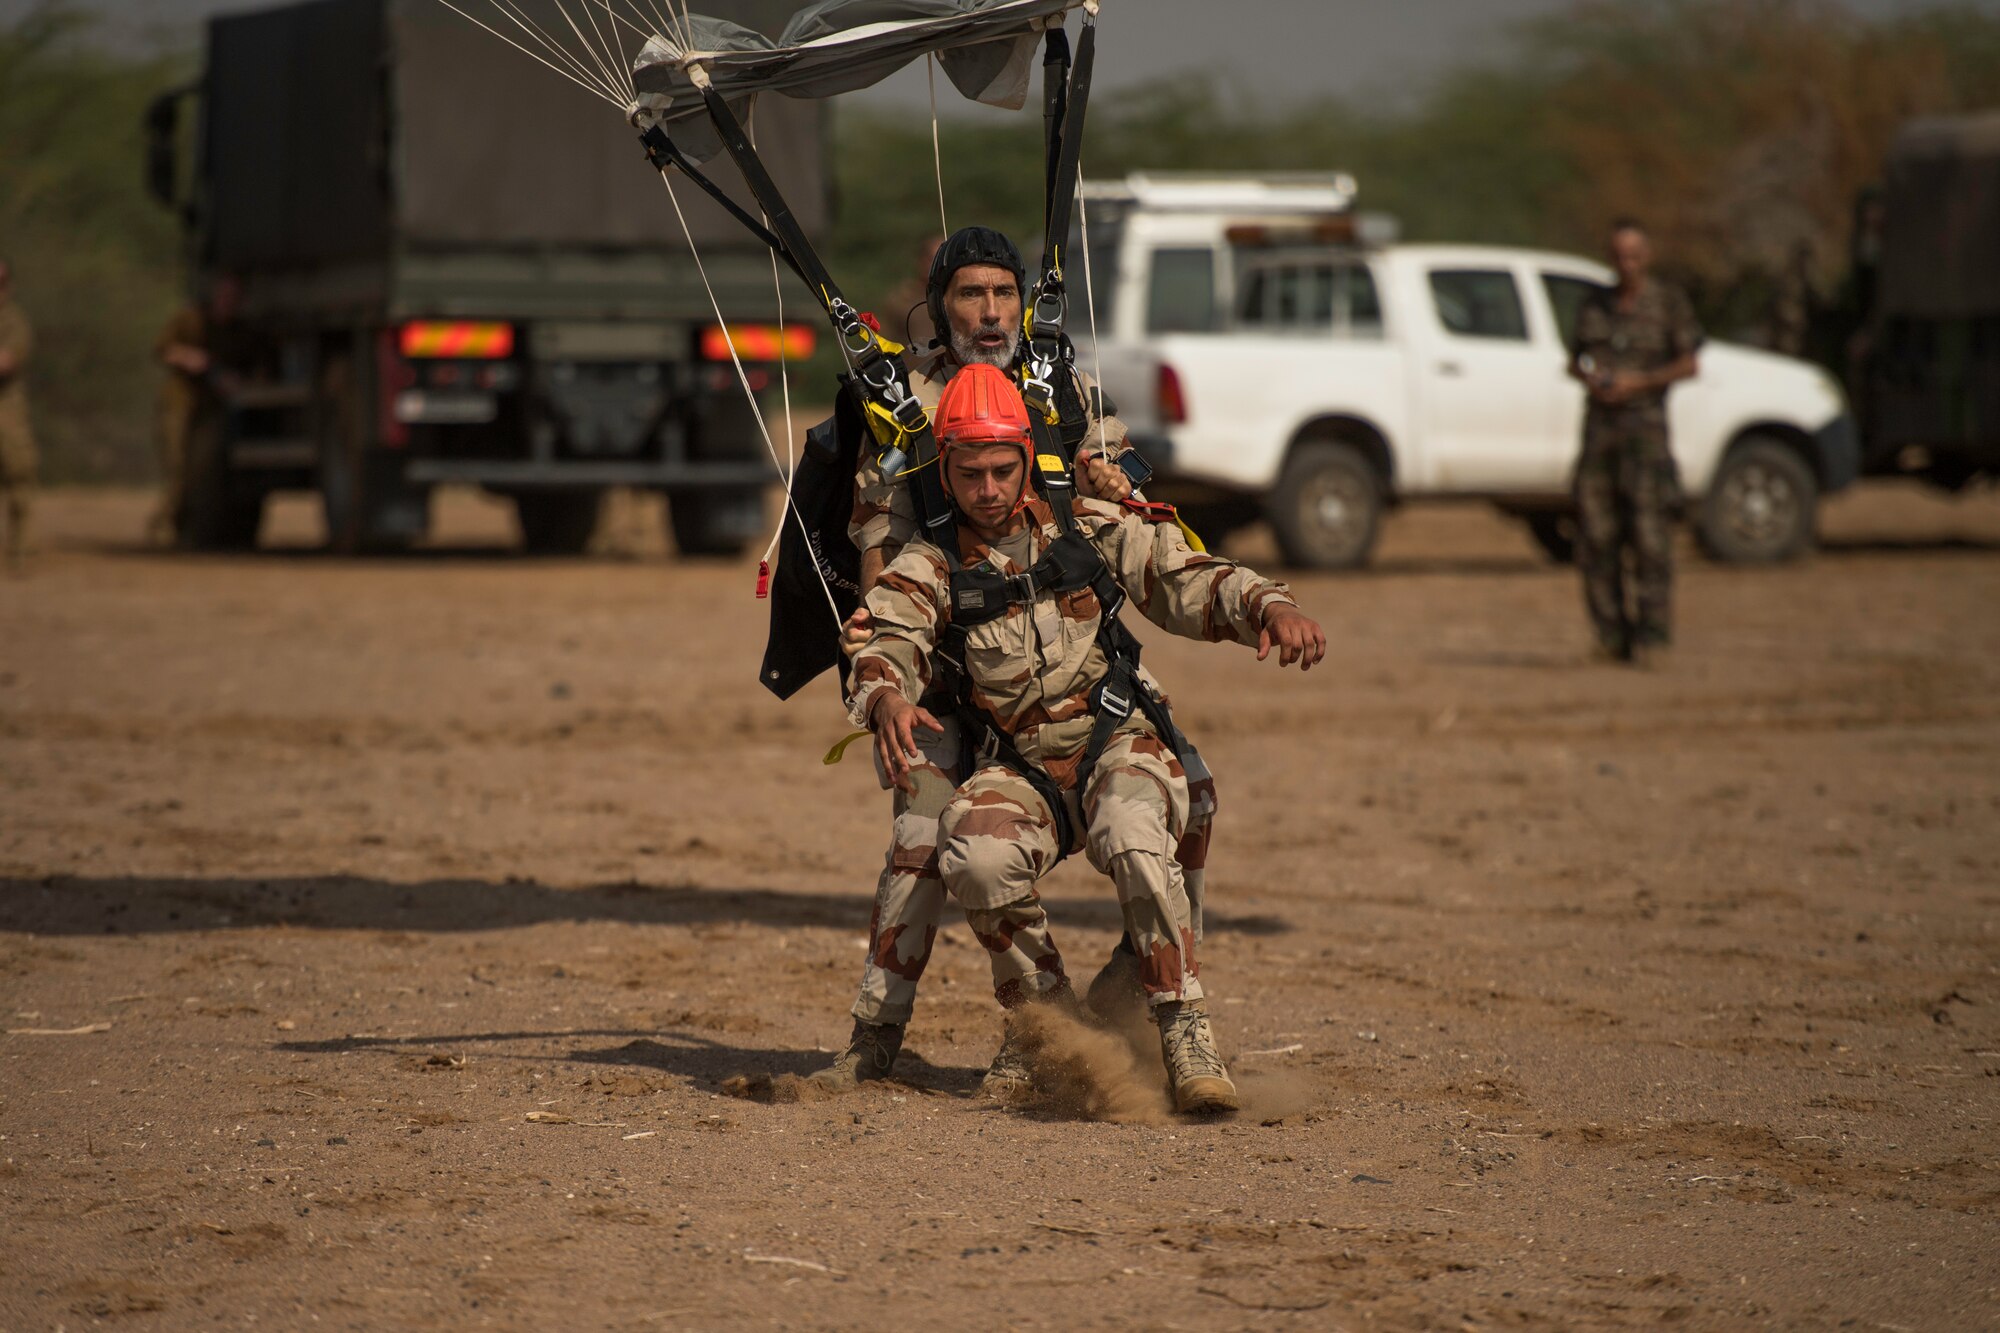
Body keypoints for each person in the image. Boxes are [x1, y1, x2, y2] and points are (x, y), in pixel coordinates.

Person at [848, 362, 1324, 1113]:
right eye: (969, 473)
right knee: (972, 852)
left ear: (1026, 458)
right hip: (1025, 769)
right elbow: (885, 641)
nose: (987, 489)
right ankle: (1050, 1018)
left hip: (1117, 743)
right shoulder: (931, 564)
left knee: (1135, 829)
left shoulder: (1084, 527)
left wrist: (1266, 606)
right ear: (946, 469)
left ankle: (1184, 1031)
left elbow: (1187, 576)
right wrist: (884, 699)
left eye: (1003, 469)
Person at [809, 225, 1143, 1095]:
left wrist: (1110, 479)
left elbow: (1133, 500)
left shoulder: (1060, 386)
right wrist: (880, 651)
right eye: (970, 295)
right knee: (922, 842)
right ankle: (874, 1039)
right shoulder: (902, 403)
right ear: (940, 304)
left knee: (1179, 808)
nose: (990, 313)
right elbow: (880, 546)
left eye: (1003, 294)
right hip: (948, 678)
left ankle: (1090, 1011)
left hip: (1068, 670)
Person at [1569, 219, 1702, 663]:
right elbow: (1574, 359)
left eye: (1634, 256)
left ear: (1646, 256)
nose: (1626, 264)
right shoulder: (1594, 304)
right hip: (1600, 435)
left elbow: (1688, 363)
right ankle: (1610, 636)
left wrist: (1641, 383)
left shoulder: (1667, 303)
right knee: (1597, 537)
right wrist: (1594, 378)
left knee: (1650, 538)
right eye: (1619, 256)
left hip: (1646, 434)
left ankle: (1653, 636)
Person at [151, 274, 249, 546]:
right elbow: (161, 348)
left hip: (209, 407)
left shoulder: (237, 332)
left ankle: (192, 532)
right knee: (177, 467)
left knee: (204, 471)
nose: (228, 304)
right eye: (224, 297)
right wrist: (190, 358)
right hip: (180, 401)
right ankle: (168, 525)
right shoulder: (191, 319)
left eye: (234, 300)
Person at [0, 259, 37, 572]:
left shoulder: (14, 321)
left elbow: (7, 362)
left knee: (19, 474)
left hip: (6, 410)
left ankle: (19, 550)